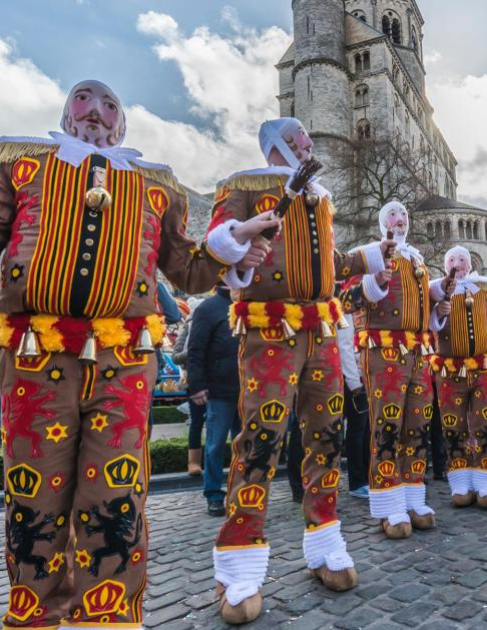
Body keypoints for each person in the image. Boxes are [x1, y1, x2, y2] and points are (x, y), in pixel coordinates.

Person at [0, 80, 256, 629]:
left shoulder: (155, 185)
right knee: (34, 497)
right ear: (65, 114)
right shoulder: (18, 162)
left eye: (110, 105)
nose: (96, 110)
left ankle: (108, 618)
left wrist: (232, 245)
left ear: (123, 124)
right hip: (32, 355)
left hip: (126, 358)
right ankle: (35, 616)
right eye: (84, 99)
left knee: (116, 494)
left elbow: (188, 269)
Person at [211, 117, 390, 624]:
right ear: (277, 146)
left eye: (308, 139)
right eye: (299, 139)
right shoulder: (243, 184)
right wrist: (240, 239)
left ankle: (324, 540)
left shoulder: (320, 198)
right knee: (262, 438)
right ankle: (239, 564)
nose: (309, 144)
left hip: (322, 328)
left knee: (328, 434)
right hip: (268, 328)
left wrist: (370, 255)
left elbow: (325, 262)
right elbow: (220, 243)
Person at [347, 201, 437, 538]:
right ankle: (388, 504)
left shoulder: (417, 259)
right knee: (387, 426)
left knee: (417, 425)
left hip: (418, 351)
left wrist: (438, 301)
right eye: (392, 216)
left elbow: (424, 307)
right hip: (383, 351)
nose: (399, 221)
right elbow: (348, 300)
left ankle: (413, 496)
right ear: (382, 222)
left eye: (403, 216)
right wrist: (375, 282)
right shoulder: (370, 253)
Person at [428, 246, 487, 509]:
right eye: (451, 260)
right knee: (453, 425)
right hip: (449, 371)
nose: (457, 263)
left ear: (470, 265)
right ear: (444, 265)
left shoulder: (485, 289)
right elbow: (427, 323)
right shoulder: (436, 292)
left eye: (461, 260)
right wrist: (438, 312)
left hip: (483, 368)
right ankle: (461, 481)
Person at [186, 282, 243, 516]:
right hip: (220, 389)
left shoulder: (250, 305)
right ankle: (213, 494)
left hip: (248, 389)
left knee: (245, 445)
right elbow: (195, 349)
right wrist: (197, 386)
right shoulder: (208, 308)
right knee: (215, 445)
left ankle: (241, 492)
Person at [336, 312, 371, 498]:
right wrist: (354, 381)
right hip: (353, 378)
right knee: (357, 430)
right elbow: (345, 347)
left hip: (361, 375)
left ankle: (365, 477)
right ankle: (357, 481)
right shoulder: (344, 312)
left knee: (365, 430)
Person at [170, 304, 205, 475]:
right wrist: (195, 350)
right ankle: (194, 463)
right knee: (197, 423)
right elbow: (175, 356)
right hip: (195, 381)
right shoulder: (190, 325)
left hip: (218, 380)